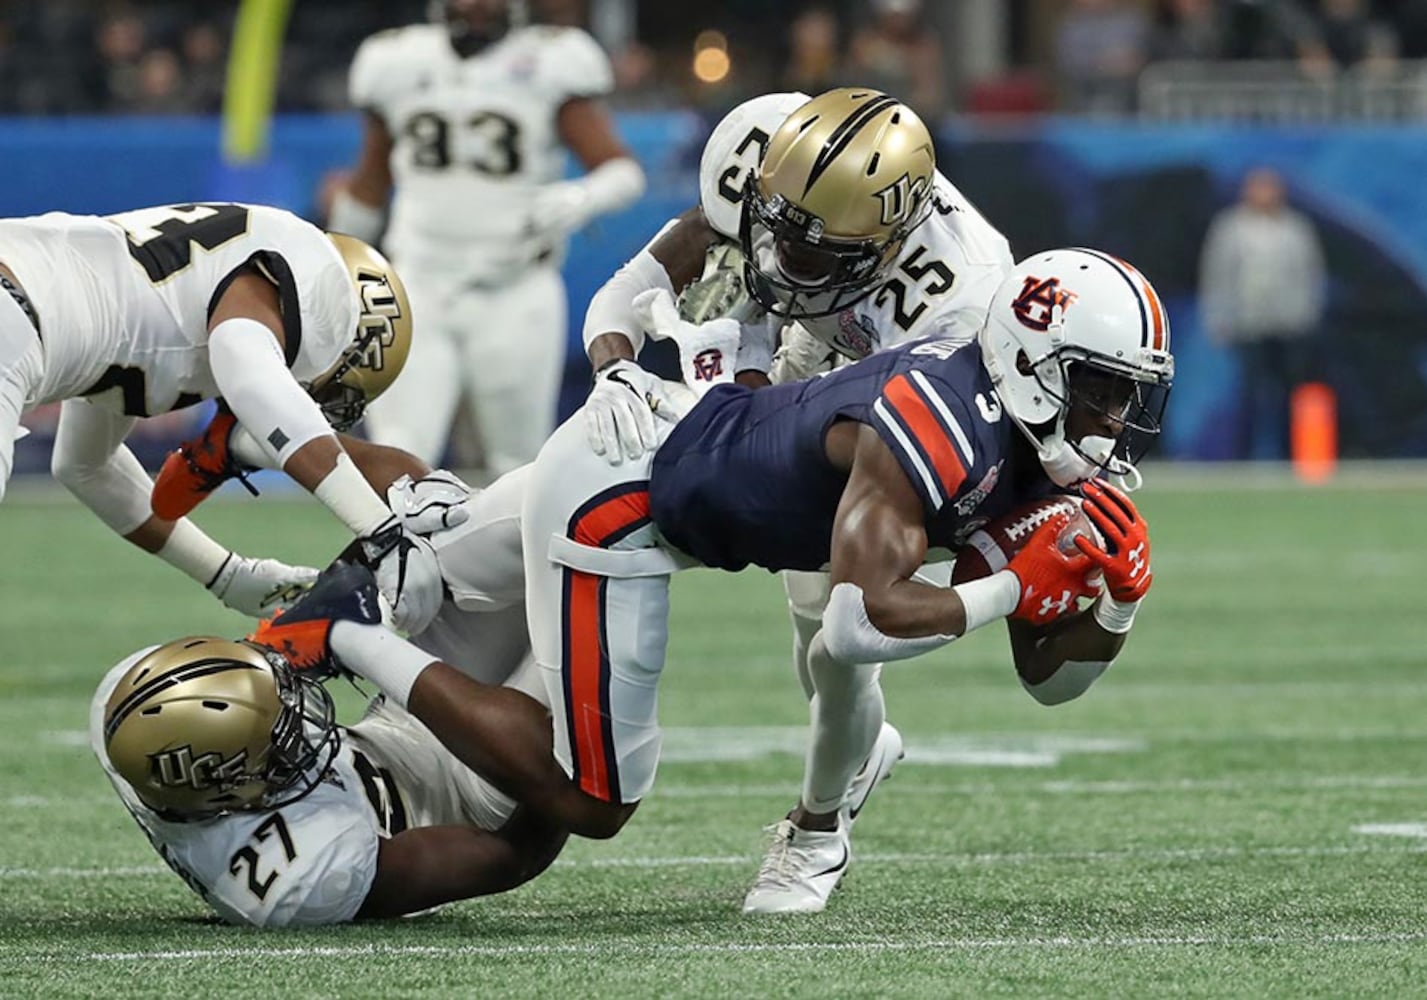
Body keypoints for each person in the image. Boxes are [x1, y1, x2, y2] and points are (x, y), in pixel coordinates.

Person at [521, 243, 1174, 913]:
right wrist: (1009, 584)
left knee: (833, 664)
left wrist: (1116, 611)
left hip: (759, 517)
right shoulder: (945, 410)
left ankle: (815, 833)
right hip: (642, 467)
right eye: (1101, 389)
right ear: (1033, 366)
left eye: (1130, 394)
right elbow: (859, 619)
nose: (1116, 419)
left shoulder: (1063, 470)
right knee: (458, 594)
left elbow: (1046, 684)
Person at [579, 88, 1015, 912]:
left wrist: (738, 399)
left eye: (811, 251)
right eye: (772, 227)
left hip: (896, 409)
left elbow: (913, 439)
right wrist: (619, 371)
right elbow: (622, 293)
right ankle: (857, 749)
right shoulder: (778, 161)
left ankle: (817, 833)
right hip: (819, 355)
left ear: (880, 246)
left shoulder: (960, 302)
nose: (775, 261)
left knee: (841, 638)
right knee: (808, 635)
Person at [0, 200, 442, 629]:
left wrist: (226, 574)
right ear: (350, 341)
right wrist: (381, 533)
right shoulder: (321, 286)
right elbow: (248, 368)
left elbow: (85, 467)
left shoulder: (135, 305)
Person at [92, 560, 568, 927]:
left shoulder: (126, 703)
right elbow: (509, 858)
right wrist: (568, 768)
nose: (302, 726)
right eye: (282, 743)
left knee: (510, 550)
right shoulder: (300, 878)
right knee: (583, 610)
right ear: (228, 792)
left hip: (393, 734)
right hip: (469, 797)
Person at [330, 0, 646, 476]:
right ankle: (393, 552)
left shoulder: (551, 60)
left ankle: (507, 553)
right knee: (400, 451)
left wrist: (582, 196)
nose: (476, 5)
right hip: (418, 284)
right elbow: (370, 186)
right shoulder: (397, 62)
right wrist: (333, 260)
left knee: (517, 464)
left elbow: (623, 171)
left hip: (514, 287)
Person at [1198, 167, 1326, 460]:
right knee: (1250, 392)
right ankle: (1244, 455)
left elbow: (1309, 273)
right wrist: (1218, 319)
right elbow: (1218, 275)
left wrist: (1306, 314)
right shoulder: (1230, 227)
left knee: (1288, 392)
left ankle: (1290, 453)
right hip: (1248, 323)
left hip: (1288, 323)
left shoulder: (1295, 227)